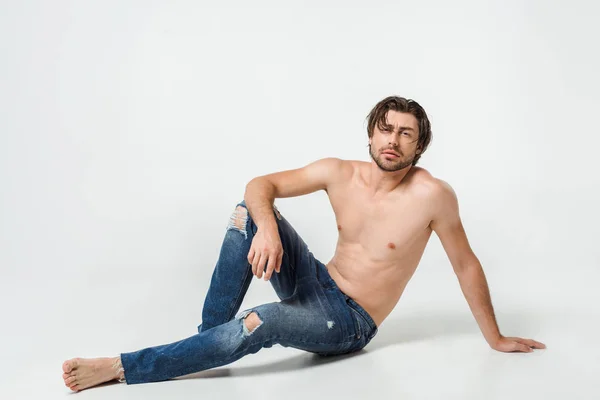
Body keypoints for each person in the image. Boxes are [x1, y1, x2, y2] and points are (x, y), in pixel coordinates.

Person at [61, 95, 546, 392]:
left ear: (419, 147)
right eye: (386, 129)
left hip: (348, 321)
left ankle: (124, 368)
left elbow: (466, 266)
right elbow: (259, 185)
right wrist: (267, 228)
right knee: (246, 213)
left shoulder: (433, 196)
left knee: (260, 322)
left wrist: (496, 338)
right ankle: (207, 343)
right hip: (317, 281)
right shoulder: (339, 172)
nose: (393, 140)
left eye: (406, 133)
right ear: (371, 134)